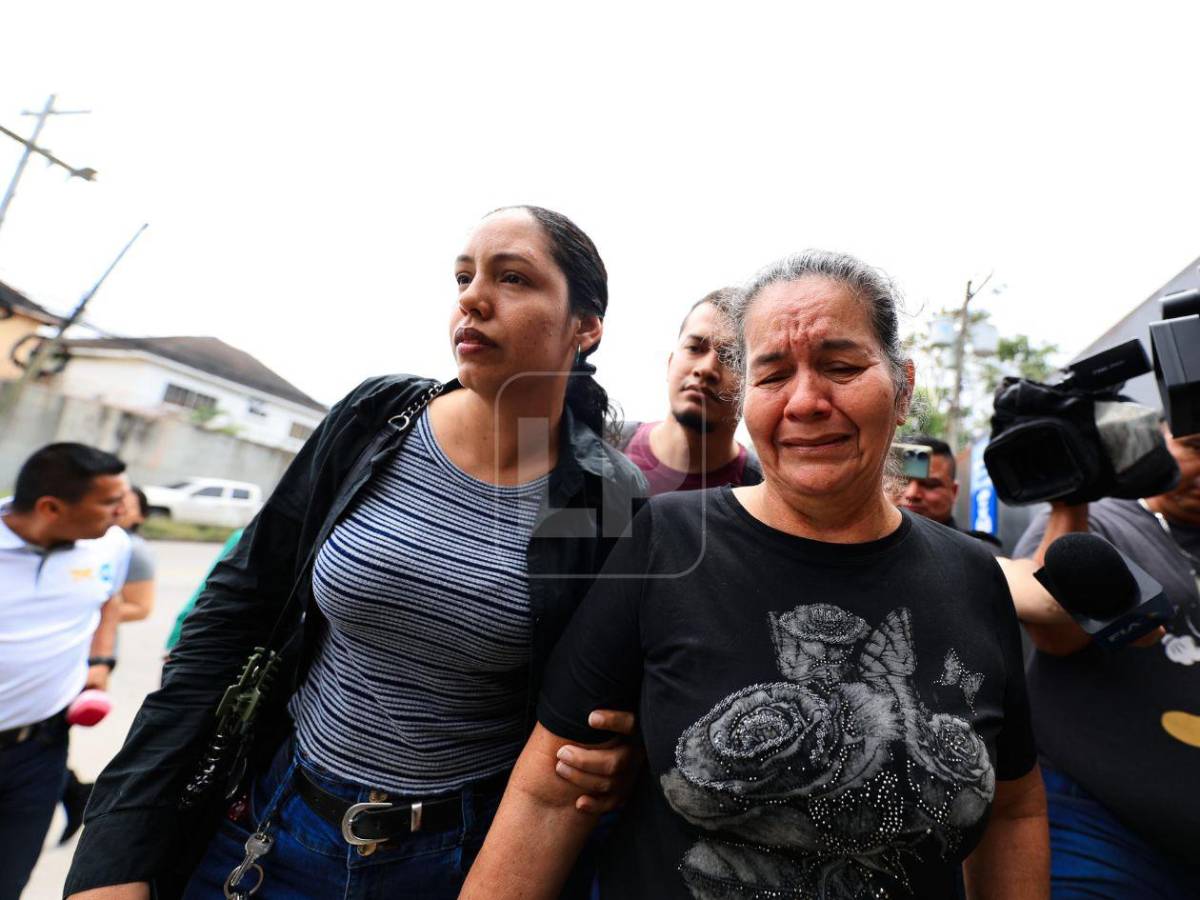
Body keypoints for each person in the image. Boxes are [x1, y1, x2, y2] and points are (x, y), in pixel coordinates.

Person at [64, 206, 647, 900]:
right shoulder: (378, 419)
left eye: (513, 278)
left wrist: (620, 750)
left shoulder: (606, 493)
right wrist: (115, 855)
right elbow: (234, 612)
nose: (472, 297)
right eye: (463, 276)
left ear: (586, 326)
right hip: (267, 825)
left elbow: (594, 694)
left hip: (451, 861)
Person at [462, 250, 1049, 899]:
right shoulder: (664, 539)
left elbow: (1016, 809)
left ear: (903, 388)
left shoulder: (972, 576)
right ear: (746, 401)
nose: (805, 401)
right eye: (772, 376)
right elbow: (550, 791)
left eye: (841, 367)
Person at [1008, 424, 1200, 896]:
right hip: (1100, 830)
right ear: (1157, 446)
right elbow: (1056, 633)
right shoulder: (1104, 521)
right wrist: (1071, 504)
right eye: (1195, 448)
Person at [0, 443, 130, 900]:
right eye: (109, 502)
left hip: (40, 750)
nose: (123, 511)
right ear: (51, 507)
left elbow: (108, 601)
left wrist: (100, 663)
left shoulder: (111, 544)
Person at [59, 485, 159, 846]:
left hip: (92, 657)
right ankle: (71, 790)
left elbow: (141, 606)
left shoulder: (133, 550)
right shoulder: (84, 541)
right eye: (110, 502)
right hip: (65, 650)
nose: (116, 509)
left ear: (140, 515)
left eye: (125, 504)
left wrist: (86, 609)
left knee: (46, 732)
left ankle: (70, 790)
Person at [616, 289, 762, 494]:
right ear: (670, 363)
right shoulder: (597, 447)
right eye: (695, 348)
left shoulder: (763, 491)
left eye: (731, 358)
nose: (706, 369)